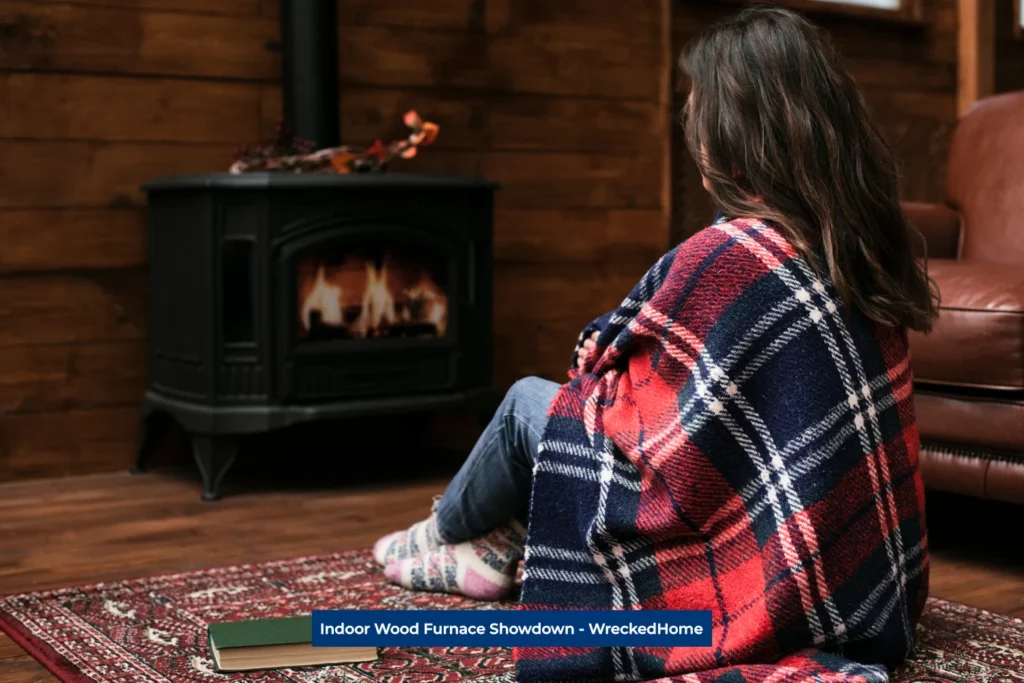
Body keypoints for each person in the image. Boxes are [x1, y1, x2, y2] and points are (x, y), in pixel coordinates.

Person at [374, 6, 935, 681]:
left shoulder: (731, 253)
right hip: (865, 584)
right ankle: (490, 543)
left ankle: (442, 533)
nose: (691, 131)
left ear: (733, 135)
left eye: (696, 114)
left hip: (744, 559)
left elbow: (619, 392)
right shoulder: (866, 243)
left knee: (532, 403)